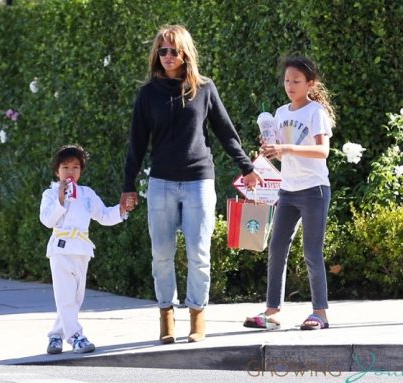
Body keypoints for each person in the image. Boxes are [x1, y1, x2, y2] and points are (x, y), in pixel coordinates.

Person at [120, 24, 261, 344]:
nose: (168, 56)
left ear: (186, 54)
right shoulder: (147, 94)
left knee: (199, 253)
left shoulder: (204, 88)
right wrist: (128, 185)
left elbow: (226, 133)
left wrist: (247, 168)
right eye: (162, 50)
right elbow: (136, 144)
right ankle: (166, 316)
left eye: (174, 50)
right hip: (161, 184)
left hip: (199, 181)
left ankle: (197, 315)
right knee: (161, 254)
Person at [244, 56, 336, 331]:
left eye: (296, 81)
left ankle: (320, 313)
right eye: (287, 80)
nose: (290, 85)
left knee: (311, 252)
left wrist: (286, 149)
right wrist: (270, 150)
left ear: (310, 83)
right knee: (276, 247)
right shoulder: (281, 113)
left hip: (314, 190)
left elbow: (323, 152)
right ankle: (272, 312)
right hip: (288, 190)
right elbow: (284, 154)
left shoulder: (315, 112)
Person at [40, 144, 127, 354]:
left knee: (75, 298)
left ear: (81, 170)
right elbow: (46, 220)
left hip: (82, 250)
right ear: (57, 170)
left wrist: (121, 209)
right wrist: (60, 199)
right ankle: (76, 336)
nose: (70, 172)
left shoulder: (87, 193)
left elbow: (104, 216)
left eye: (75, 167)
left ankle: (55, 336)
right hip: (61, 250)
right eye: (65, 167)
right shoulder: (50, 193)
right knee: (65, 296)